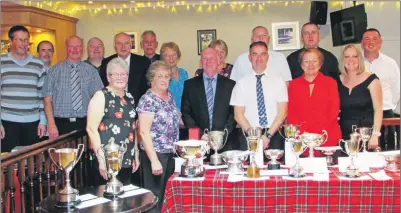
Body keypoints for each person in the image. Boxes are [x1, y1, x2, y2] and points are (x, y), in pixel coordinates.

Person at [86, 58, 140, 186]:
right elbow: (91, 129)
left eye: (123, 74)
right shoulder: (101, 96)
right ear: (108, 77)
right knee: (107, 200)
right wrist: (101, 160)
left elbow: (133, 127)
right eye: (115, 74)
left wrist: (136, 154)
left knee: (125, 199)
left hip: (127, 156)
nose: (120, 77)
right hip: (107, 158)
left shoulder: (130, 98)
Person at [137, 61, 180, 212]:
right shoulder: (148, 100)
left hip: (171, 153)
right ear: (152, 79)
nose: (164, 79)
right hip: (155, 155)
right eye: (159, 76)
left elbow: (175, 120)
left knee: (167, 195)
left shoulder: (170, 96)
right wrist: (154, 160)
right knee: (153, 198)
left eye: (167, 76)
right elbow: (143, 131)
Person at [230, 41, 288, 152]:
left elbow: (283, 112)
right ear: (249, 57)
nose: (259, 58)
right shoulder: (241, 83)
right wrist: (254, 136)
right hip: (249, 135)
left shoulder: (278, 81)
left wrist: (268, 136)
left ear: (267, 57)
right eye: (255, 54)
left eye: (262, 54)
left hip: (274, 134)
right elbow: (238, 114)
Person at [43, 35, 103, 139]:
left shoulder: (91, 71)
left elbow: (100, 98)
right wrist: (51, 125)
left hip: (86, 123)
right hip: (60, 125)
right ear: (66, 47)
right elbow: (47, 100)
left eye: (78, 46)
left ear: (82, 48)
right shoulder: (54, 71)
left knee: (85, 154)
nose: (75, 50)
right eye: (72, 46)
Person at [0, 25, 47, 152]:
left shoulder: (38, 64)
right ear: (10, 41)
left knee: (31, 163)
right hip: (7, 122)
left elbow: (42, 96)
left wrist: (43, 121)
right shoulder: (2, 62)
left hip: (33, 123)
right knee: (7, 164)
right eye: (20, 39)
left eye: (26, 40)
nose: (24, 43)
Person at [181, 47, 237, 153]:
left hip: (225, 142)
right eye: (205, 58)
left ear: (218, 61)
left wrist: (223, 134)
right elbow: (186, 113)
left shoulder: (230, 85)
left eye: (211, 58)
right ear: (201, 62)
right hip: (199, 143)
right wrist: (200, 134)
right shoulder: (190, 85)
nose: (208, 62)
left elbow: (233, 113)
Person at [287, 48, 341, 157]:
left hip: (326, 137)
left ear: (320, 64)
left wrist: (317, 134)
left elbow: (333, 110)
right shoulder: (293, 85)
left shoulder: (330, 83)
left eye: (314, 61)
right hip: (302, 140)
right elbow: (291, 112)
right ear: (301, 65)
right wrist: (303, 133)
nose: (310, 64)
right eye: (306, 61)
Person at [337, 44, 382, 150]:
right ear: (342, 60)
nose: (351, 59)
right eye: (347, 56)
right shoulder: (336, 80)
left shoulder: (372, 80)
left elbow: (378, 109)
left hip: (367, 136)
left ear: (360, 59)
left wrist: (375, 135)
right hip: (344, 136)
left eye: (354, 56)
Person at [362, 28, 400, 150]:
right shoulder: (356, 63)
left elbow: (396, 89)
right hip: (364, 114)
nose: (371, 42)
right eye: (367, 39)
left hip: (386, 113)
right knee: (365, 150)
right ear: (362, 43)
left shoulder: (390, 63)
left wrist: (388, 105)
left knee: (388, 150)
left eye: (374, 39)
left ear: (380, 42)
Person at [100, 32, 150, 106]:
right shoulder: (106, 62)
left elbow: (147, 88)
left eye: (126, 43)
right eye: (119, 43)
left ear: (131, 45)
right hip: (112, 107)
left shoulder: (144, 62)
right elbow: (104, 85)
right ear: (115, 46)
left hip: (138, 107)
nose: (123, 47)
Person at [160, 42, 188, 110]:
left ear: (178, 56)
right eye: (167, 55)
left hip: (185, 114)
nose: (171, 58)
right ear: (162, 58)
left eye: (174, 54)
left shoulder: (184, 73)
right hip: (168, 115)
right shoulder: (160, 76)